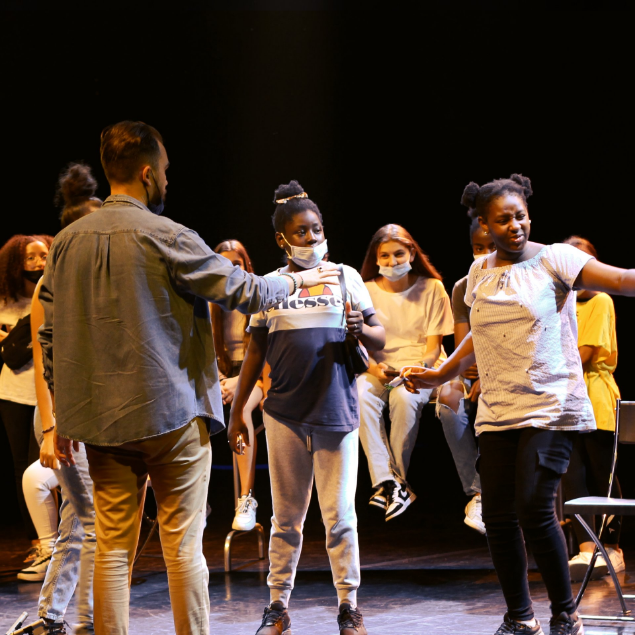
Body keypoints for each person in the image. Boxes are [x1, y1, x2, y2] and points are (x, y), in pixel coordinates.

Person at [38, 122, 339, 635]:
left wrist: (61, 415)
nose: (167, 180)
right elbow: (245, 291)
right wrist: (299, 280)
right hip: (171, 414)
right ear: (147, 173)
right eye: (165, 171)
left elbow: (50, 336)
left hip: (100, 421)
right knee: (181, 547)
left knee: (112, 547)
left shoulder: (65, 243)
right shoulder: (167, 235)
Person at [402, 173, 635, 635]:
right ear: (485, 226)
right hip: (499, 410)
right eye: (503, 220)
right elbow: (477, 336)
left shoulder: (557, 258)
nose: (515, 226)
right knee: (498, 515)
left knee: (534, 505)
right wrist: (442, 373)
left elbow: (623, 280)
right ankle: (520, 617)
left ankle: (566, 614)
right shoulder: (478, 274)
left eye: (521, 216)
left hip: (551, 405)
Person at [228, 180, 385, 635]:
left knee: (341, 518)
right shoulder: (271, 286)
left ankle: (349, 606)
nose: (312, 238)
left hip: (336, 412)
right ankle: (277, 607)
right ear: (282, 239)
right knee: (286, 519)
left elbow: (380, 338)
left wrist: (360, 329)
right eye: (301, 232)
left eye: (317, 229)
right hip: (284, 415)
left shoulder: (346, 277)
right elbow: (255, 352)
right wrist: (238, 412)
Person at [20, 163, 102, 633]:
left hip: (93, 416)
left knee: (79, 521)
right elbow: (42, 366)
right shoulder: (49, 287)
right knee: (92, 523)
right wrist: (51, 429)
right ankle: (88, 622)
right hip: (62, 416)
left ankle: (50, 616)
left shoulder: (97, 283)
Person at [356, 224, 453, 521]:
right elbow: (361, 345)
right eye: (384, 256)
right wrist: (375, 368)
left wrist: (418, 369)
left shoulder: (432, 287)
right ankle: (388, 482)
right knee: (359, 395)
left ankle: (394, 482)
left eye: (398, 254)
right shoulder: (365, 290)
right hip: (381, 371)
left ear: (411, 252)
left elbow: (434, 347)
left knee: (404, 398)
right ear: (375, 258)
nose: (392, 261)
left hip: (421, 369)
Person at [560, 236, 624, 582]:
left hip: (595, 396)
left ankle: (612, 548)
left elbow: (582, 355)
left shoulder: (600, 300)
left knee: (603, 475)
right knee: (573, 476)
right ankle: (586, 549)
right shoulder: (561, 300)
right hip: (565, 399)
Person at [435, 214, 495, 535]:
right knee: (448, 398)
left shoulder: (517, 279)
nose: (484, 253)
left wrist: (487, 374)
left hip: (507, 372)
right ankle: (479, 492)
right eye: (478, 247)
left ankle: (491, 490)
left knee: (489, 399)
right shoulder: (463, 287)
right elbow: (463, 350)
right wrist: (472, 371)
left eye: (490, 246)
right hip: (477, 368)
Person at [0, 233, 53, 559]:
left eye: (43, 256)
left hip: (49, 393)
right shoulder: (4, 300)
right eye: (30, 257)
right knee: (23, 468)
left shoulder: (53, 293)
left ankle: (59, 541)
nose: (37, 263)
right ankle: (37, 542)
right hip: (14, 393)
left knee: (47, 467)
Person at [211, 239, 264, 531]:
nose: (230, 269)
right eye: (223, 264)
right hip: (219, 377)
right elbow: (204, 353)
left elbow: (264, 353)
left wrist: (238, 382)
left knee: (241, 410)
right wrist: (220, 381)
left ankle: (246, 498)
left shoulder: (259, 298)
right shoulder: (208, 301)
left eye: (236, 264)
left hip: (254, 376)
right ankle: (195, 498)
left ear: (246, 266)